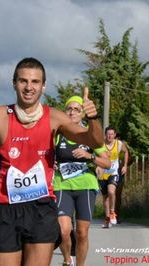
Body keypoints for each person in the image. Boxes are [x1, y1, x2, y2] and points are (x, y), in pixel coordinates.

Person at [0, 57, 103, 266]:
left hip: (41, 208)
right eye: (23, 81)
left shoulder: (54, 117)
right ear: (14, 83)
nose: (29, 87)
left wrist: (93, 118)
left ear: (43, 86)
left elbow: (94, 140)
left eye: (35, 82)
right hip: (5, 209)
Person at [53, 96, 111, 266]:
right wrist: (51, 162)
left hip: (85, 186)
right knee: (63, 231)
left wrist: (89, 156)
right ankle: (66, 260)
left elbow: (107, 162)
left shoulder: (90, 136)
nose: (72, 112)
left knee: (82, 233)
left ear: (83, 114)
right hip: (61, 185)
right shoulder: (57, 135)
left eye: (77, 109)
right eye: (69, 109)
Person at [97, 126, 129, 228]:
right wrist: (98, 166)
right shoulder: (101, 144)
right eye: (108, 134)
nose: (110, 136)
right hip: (103, 173)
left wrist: (124, 165)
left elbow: (126, 152)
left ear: (115, 135)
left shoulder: (119, 144)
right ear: (105, 135)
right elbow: (96, 156)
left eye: (112, 134)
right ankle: (107, 220)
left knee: (112, 191)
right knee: (105, 198)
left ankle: (112, 213)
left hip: (113, 172)